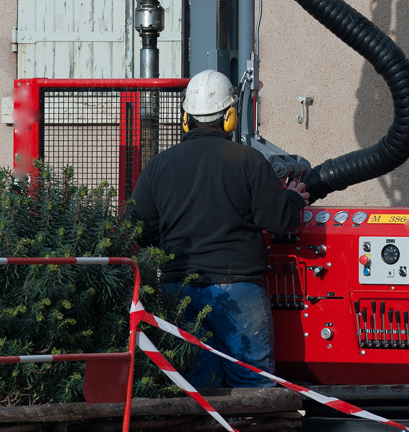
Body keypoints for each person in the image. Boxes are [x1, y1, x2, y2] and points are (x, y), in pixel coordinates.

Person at [131, 70, 310, 388]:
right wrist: (293, 200)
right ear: (230, 117)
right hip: (238, 289)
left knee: (199, 383)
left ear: (186, 119)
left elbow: (138, 230)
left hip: (179, 290)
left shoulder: (159, 166)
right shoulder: (249, 161)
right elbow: (279, 220)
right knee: (252, 381)